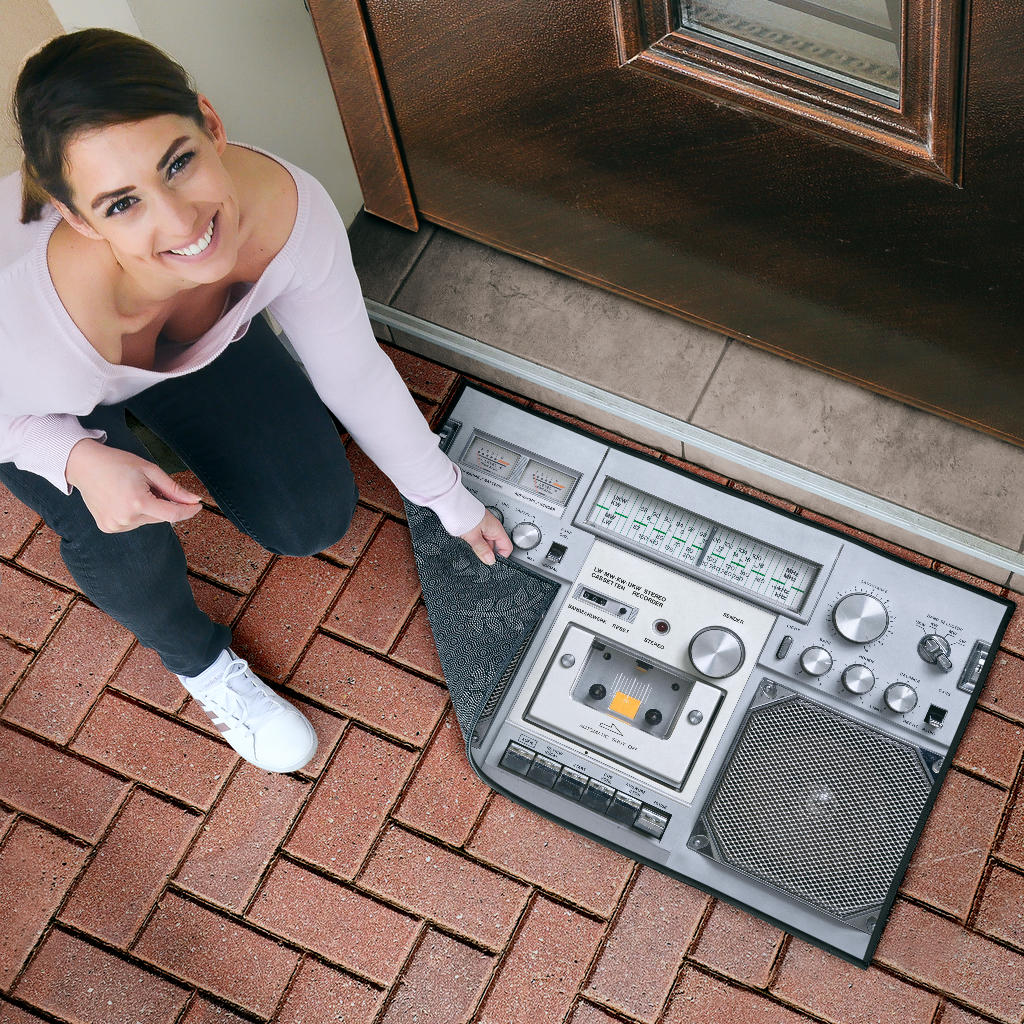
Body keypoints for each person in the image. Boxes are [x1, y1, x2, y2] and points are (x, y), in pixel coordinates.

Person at [1, 28, 512, 774]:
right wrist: (77, 457)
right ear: (78, 219)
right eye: (122, 203)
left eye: (178, 162)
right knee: (125, 540)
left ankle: (165, 410)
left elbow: (354, 371)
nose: (182, 224)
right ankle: (199, 663)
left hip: (188, 348)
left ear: (210, 122)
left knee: (311, 518)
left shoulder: (287, 212)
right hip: (34, 403)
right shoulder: (30, 314)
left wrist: (448, 499)